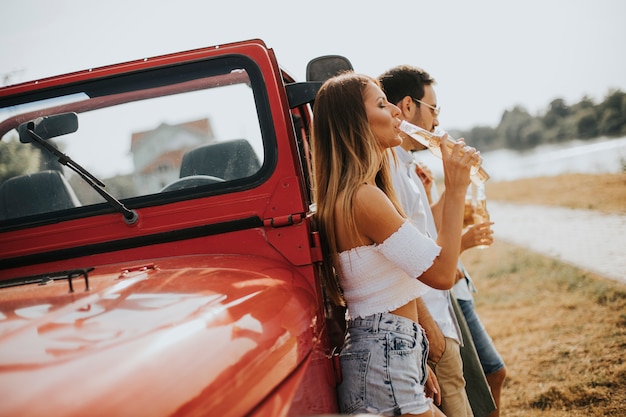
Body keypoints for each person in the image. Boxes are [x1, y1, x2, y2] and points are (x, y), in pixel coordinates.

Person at [311, 71, 480, 417]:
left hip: (387, 350)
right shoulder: (364, 199)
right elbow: (442, 273)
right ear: (356, 122)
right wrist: (456, 187)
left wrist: (413, 358)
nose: (396, 112)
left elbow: (386, 292)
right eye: (382, 103)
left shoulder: (355, 194)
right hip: (384, 354)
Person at [378, 64, 506, 417]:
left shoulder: (407, 165)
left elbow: (421, 236)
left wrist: (447, 193)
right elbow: (423, 263)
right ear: (407, 107)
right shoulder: (386, 170)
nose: (437, 122)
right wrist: (455, 188)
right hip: (429, 321)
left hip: (440, 315)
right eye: (433, 110)